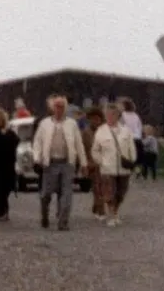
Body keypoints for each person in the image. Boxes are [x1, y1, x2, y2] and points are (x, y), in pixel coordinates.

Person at [32, 95, 88, 230]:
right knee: (46, 194)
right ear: (53, 108)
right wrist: (37, 158)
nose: (59, 109)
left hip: (67, 163)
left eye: (62, 107)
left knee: (66, 193)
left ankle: (63, 222)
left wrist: (84, 163)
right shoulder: (45, 123)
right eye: (57, 106)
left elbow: (79, 144)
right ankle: (44, 215)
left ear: (65, 108)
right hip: (49, 163)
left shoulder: (72, 124)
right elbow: (37, 142)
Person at [91, 104, 137, 227]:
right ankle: (111, 215)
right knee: (109, 192)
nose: (110, 117)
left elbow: (131, 148)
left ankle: (115, 211)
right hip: (107, 168)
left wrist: (131, 160)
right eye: (108, 115)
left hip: (123, 168)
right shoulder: (101, 131)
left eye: (113, 114)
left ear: (118, 116)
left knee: (121, 193)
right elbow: (95, 150)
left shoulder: (126, 131)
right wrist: (101, 161)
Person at [82, 107, 106, 219]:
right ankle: (101, 210)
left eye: (97, 119)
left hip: (105, 163)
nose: (95, 121)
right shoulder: (85, 133)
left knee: (104, 188)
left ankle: (97, 205)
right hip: (92, 164)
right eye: (92, 119)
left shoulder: (105, 132)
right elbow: (82, 149)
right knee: (97, 188)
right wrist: (85, 164)